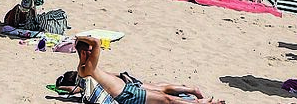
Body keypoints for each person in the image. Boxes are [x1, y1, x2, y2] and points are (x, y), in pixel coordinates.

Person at [74, 36, 222, 104]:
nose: (93, 52)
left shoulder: (84, 67)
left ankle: (197, 100)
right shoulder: (87, 68)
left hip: (128, 89)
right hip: (126, 95)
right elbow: (97, 42)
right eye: (90, 50)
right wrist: (79, 38)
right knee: (166, 99)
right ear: (83, 53)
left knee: (163, 95)